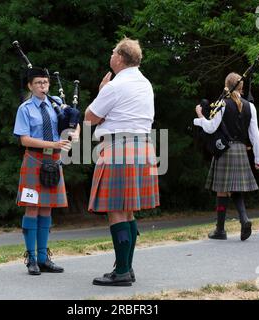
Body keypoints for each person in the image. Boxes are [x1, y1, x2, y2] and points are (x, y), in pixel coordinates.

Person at [84, 38, 160, 286]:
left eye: (113, 51)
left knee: (116, 208)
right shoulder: (146, 83)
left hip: (119, 147)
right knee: (127, 210)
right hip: (143, 146)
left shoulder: (114, 86)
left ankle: (123, 272)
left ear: (120, 58)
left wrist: (101, 91)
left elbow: (91, 116)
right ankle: (127, 267)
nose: (111, 54)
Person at [13, 67, 79, 275]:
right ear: (30, 86)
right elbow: (24, 139)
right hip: (34, 159)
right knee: (32, 207)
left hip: (53, 159)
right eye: (39, 83)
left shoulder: (56, 104)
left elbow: (74, 120)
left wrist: (74, 133)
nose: (43, 86)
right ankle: (31, 259)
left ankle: (43, 258)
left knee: (47, 208)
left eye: (45, 83)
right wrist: (53, 143)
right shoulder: (25, 109)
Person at [193, 72, 259, 241]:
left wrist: (200, 117)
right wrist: (258, 157)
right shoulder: (250, 107)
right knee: (233, 189)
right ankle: (237, 222)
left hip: (224, 150)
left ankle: (221, 229)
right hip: (240, 150)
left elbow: (210, 128)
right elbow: (255, 136)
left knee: (222, 190)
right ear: (241, 87)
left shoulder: (222, 104)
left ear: (226, 85)